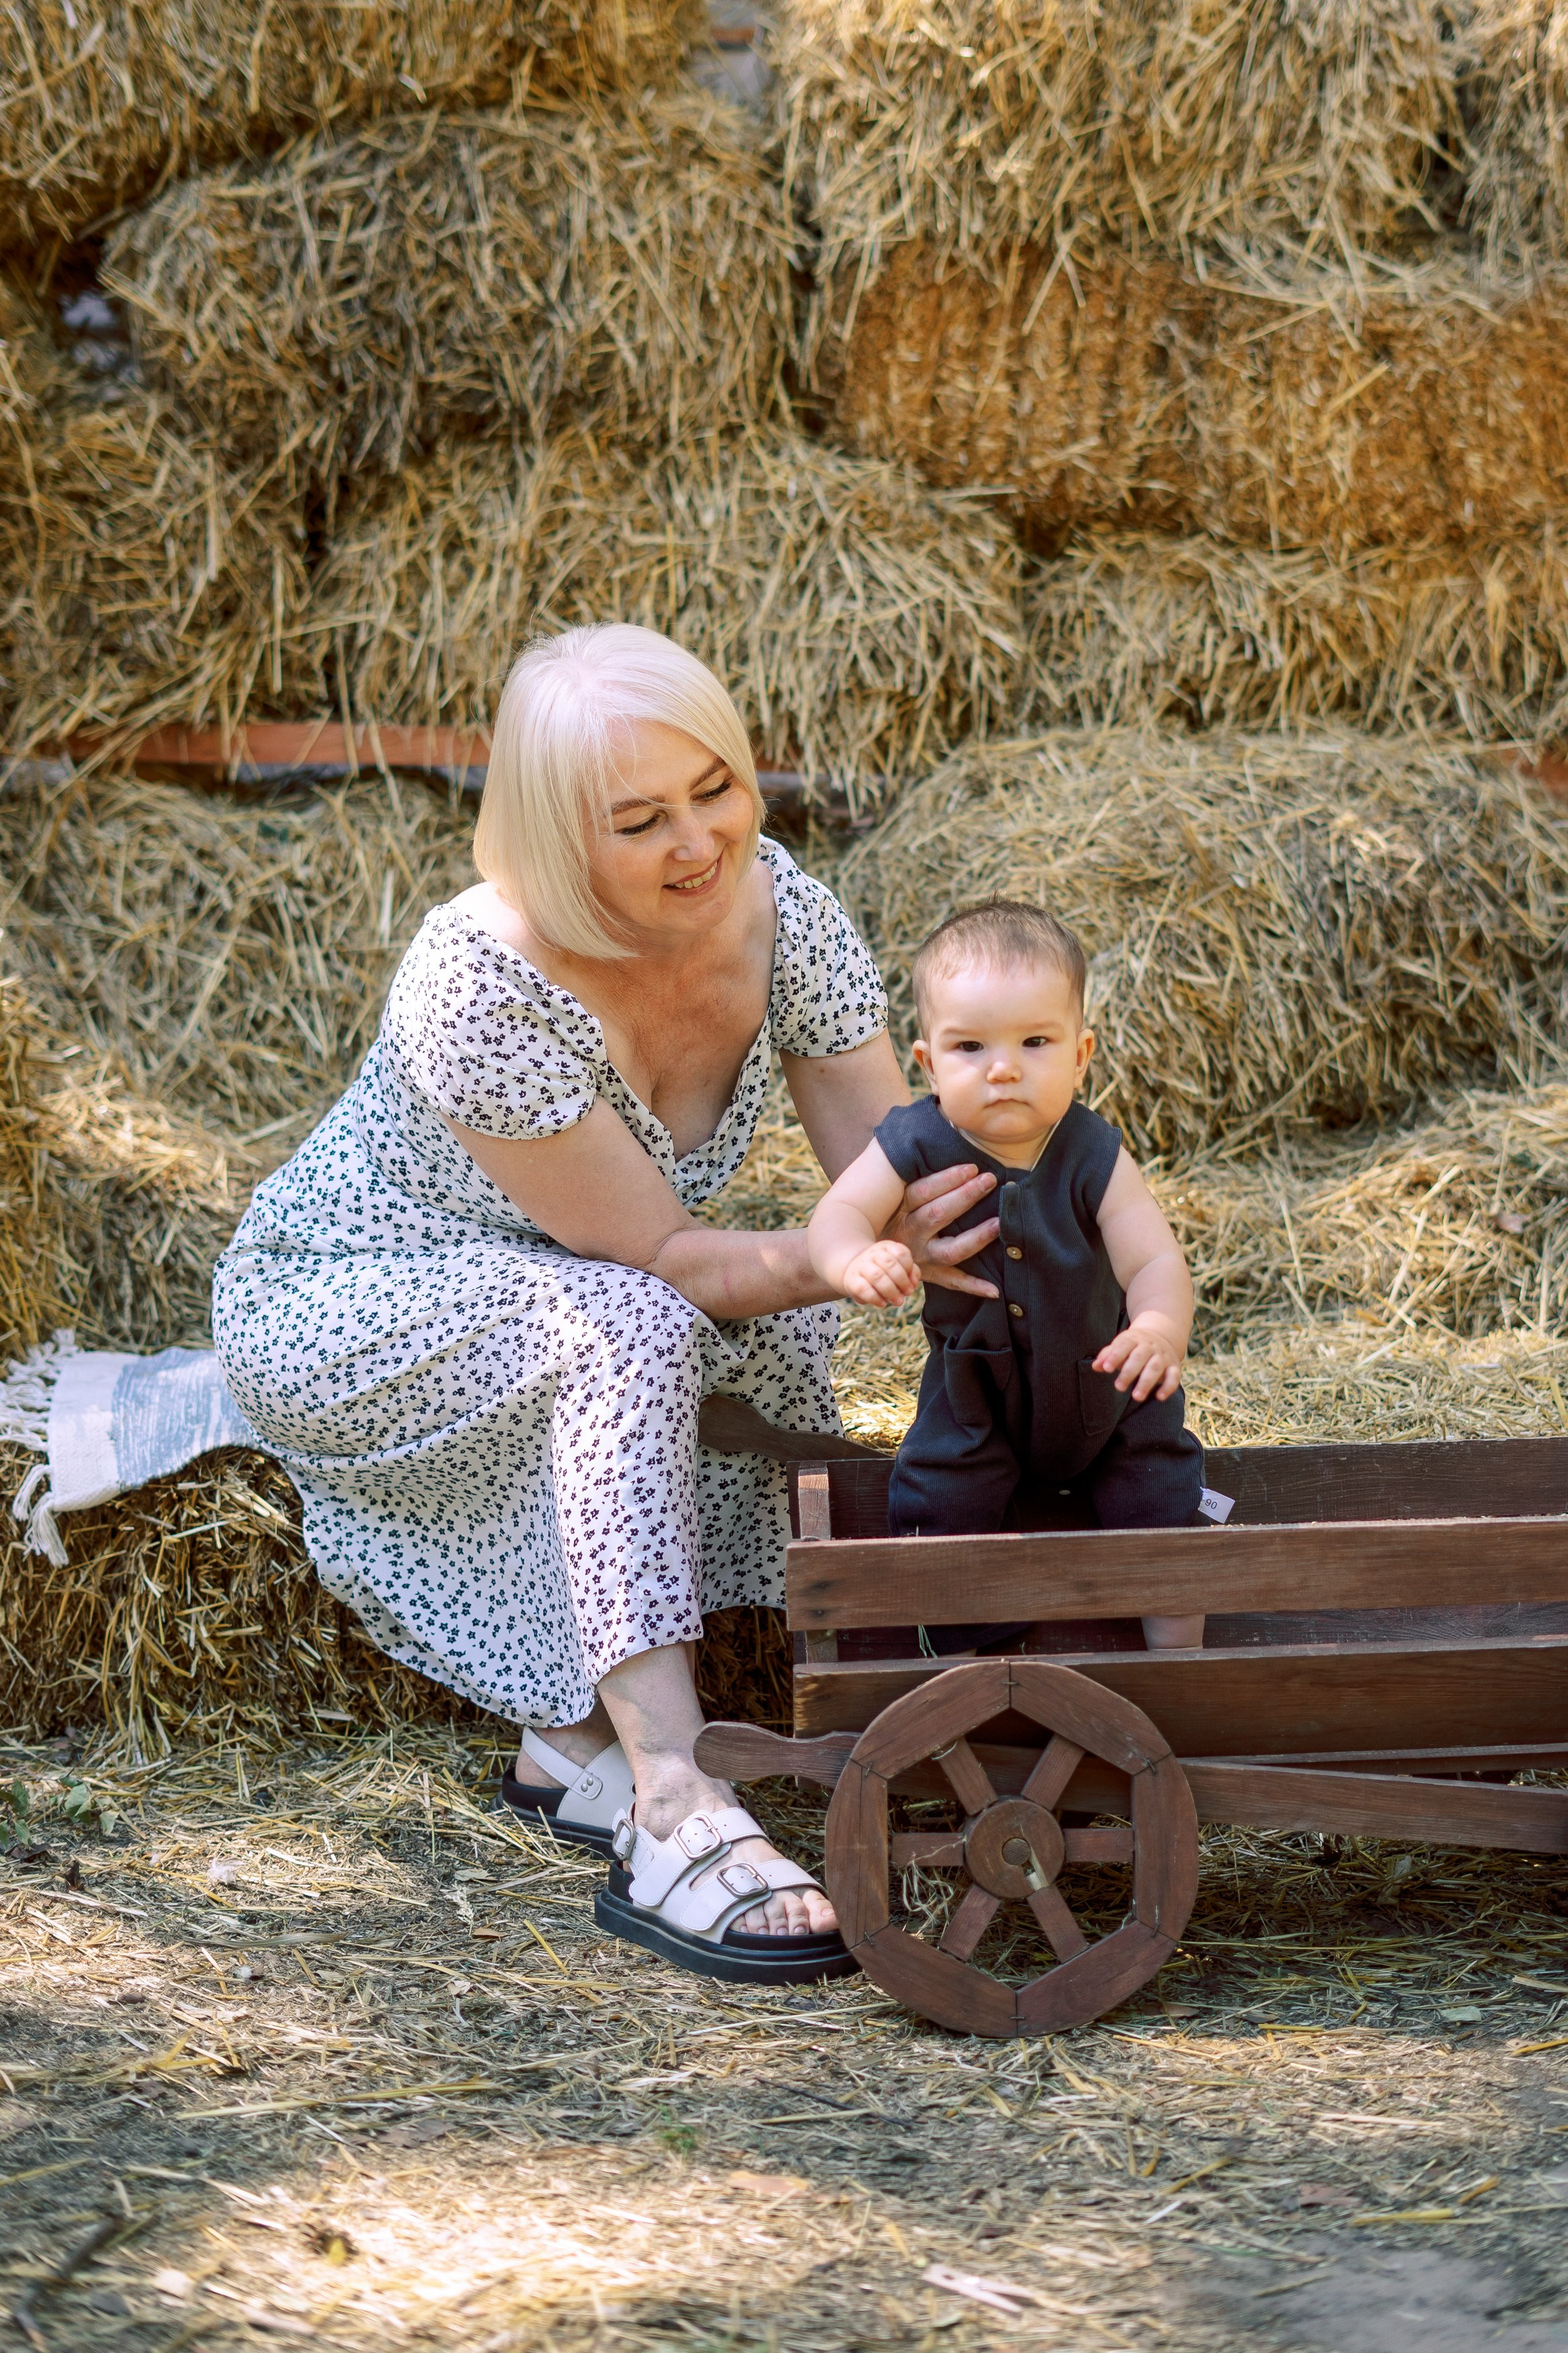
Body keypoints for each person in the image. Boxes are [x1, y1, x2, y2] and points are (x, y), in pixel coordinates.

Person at [212, 623, 1001, 1985]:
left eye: (716, 788)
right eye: (639, 822)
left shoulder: (778, 909)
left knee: (771, 1311)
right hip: (348, 1300)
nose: (699, 842)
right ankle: (669, 1800)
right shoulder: (476, 981)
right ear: (551, 839)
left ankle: (572, 1738)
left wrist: (1047, 1269)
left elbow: (901, 1172)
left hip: (563, 1274)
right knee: (643, 1323)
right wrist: (833, 1255)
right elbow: (665, 1259)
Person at [807, 900, 1207, 1652]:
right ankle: (968, 1642)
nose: (1002, 1068)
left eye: (1034, 1041)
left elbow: (1153, 1258)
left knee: (1158, 1489)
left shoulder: (1091, 1152)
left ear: (1080, 1054)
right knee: (938, 1493)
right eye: (969, 1046)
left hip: (1108, 1385)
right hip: (974, 1392)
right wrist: (854, 1256)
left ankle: (1176, 1654)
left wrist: (1157, 1328)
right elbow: (837, 1215)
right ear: (927, 1062)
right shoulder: (912, 1140)